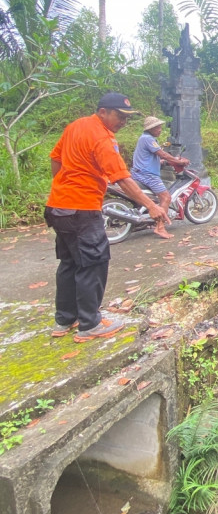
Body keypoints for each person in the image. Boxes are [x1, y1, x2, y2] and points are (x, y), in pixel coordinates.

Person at [44, 92, 170, 341]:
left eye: (126, 117)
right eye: (119, 115)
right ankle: (90, 324)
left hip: (58, 207)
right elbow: (122, 178)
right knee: (93, 263)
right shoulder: (102, 137)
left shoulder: (76, 126)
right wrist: (151, 206)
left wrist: (62, 185)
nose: (122, 121)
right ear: (103, 112)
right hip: (82, 209)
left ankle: (65, 320)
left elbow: (56, 159)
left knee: (69, 262)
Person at [131, 116, 188, 235]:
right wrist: (178, 161)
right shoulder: (148, 139)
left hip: (139, 173)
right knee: (166, 197)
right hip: (148, 175)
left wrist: (162, 162)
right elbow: (162, 154)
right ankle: (160, 227)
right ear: (150, 129)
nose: (160, 129)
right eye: (157, 127)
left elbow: (153, 157)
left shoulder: (145, 139)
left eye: (160, 127)